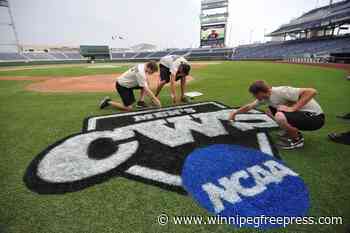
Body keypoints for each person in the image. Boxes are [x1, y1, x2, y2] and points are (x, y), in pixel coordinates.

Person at [229, 80, 325, 150]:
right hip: (304, 116)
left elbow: (311, 91)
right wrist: (235, 113)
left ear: (262, 92)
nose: (255, 97)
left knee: (279, 115)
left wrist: (293, 108)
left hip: (315, 119)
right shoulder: (266, 97)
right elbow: (249, 106)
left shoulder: (281, 91)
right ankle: (289, 131)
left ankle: (297, 140)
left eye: (255, 94)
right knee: (270, 111)